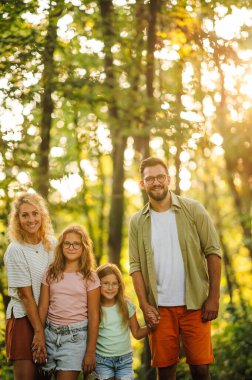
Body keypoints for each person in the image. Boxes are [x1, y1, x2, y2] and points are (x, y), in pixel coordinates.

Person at [129, 157, 222, 380]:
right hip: (160, 309)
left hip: (196, 304)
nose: (156, 182)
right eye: (149, 179)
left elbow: (213, 252)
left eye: (160, 177)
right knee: (165, 370)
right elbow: (135, 266)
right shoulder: (137, 222)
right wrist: (144, 305)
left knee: (200, 369)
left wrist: (214, 297)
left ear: (168, 179)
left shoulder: (193, 210)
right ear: (143, 184)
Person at [4, 191, 57, 380]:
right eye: (25, 215)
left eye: (35, 213)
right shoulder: (16, 249)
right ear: (17, 219)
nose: (31, 219)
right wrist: (38, 332)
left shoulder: (52, 244)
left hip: (49, 319)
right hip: (23, 320)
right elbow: (26, 297)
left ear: (42, 215)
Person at [37, 225, 100, 380]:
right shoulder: (50, 272)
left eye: (76, 244)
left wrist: (90, 351)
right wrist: (38, 336)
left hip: (75, 339)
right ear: (61, 246)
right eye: (67, 243)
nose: (71, 247)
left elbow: (94, 314)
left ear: (83, 247)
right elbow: (43, 307)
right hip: (49, 335)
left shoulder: (90, 277)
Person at [92, 263, 149, 380]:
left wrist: (152, 327)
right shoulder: (94, 308)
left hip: (125, 360)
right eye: (106, 283)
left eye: (114, 283)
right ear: (98, 284)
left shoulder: (127, 305)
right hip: (102, 360)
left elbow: (137, 333)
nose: (110, 287)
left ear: (119, 285)